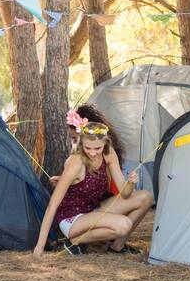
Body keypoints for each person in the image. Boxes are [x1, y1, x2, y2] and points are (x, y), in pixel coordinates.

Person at [32, 109, 153, 257]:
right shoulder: (76, 163)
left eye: (97, 148)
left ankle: (117, 247)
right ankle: (74, 241)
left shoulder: (109, 154)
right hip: (72, 218)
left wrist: (130, 183)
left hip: (93, 209)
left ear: (105, 144)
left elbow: (125, 194)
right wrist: (39, 247)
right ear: (81, 143)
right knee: (124, 225)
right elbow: (52, 206)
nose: (92, 152)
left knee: (145, 197)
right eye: (87, 148)